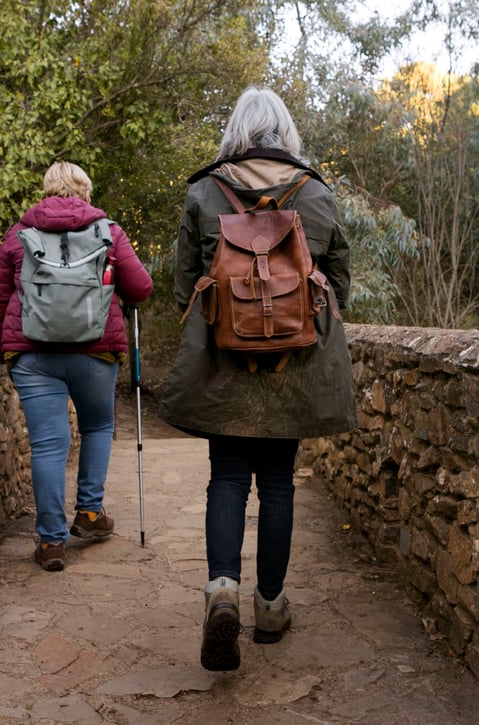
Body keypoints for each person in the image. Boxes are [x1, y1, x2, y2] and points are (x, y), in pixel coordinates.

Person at [157, 86, 357, 671]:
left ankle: (222, 591)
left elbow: (182, 285)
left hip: (223, 361)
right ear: (286, 132)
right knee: (277, 484)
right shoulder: (316, 193)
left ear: (236, 130)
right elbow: (339, 278)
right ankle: (270, 606)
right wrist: (297, 322)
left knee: (226, 479)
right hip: (295, 365)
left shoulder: (204, 191)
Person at [0, 161, 153, 572]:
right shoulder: (108, 231)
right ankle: (90, 514)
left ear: (47, 189)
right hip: (95, 350)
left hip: (33, 354)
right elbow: (141, 288)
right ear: (85, 190)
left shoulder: (19, 234)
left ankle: (50, 542)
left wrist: (5, 350)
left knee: (47, 444)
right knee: (98, 426)